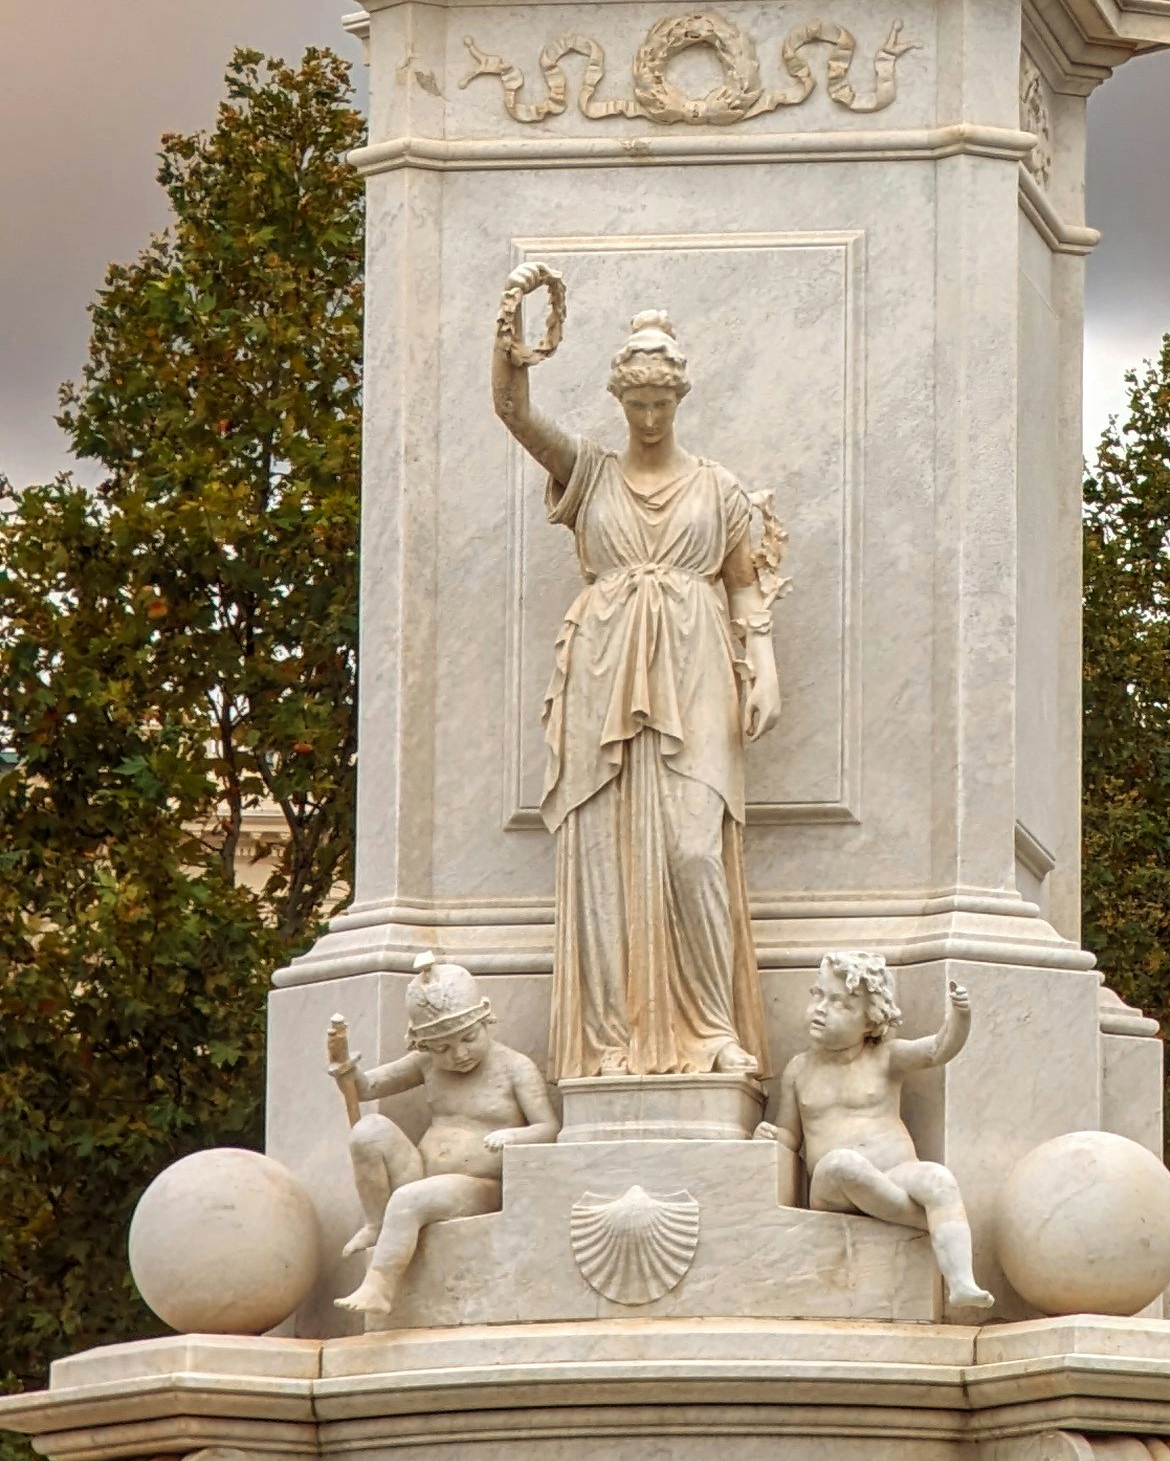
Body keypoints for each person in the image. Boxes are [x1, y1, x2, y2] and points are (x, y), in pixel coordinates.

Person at [493, 305, 781, 1080]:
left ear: (678, 400)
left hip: (698, 662)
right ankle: (609, 1039)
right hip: (604, 663)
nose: (649, 419)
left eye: (660, 405)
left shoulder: (719, 489)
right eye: (636, 406)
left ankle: (712, 1028)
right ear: (621, 403)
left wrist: (766, 668)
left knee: (695, 849)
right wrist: (512, 353)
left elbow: (746, 588)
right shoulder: (589, 475)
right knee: (604, 856)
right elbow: (513, 413)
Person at [763, 949, 992, 1322]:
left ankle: (962, 1281)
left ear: (870, 1022)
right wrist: (772, 1136)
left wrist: (960, 1016)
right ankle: (922, 1221)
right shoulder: (799, 1069)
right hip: (832, 1186)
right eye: (818, 995)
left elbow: (937, 1049)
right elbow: (790, 1136)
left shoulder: (885, 1057)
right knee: (844, 1163)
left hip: (896, 1171)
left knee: (939, 1179)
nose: (822, 1008)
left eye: (840, 1003)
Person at [327, 960, 555, 1319]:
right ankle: (376, 1224)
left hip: (479, 1185)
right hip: (420, 1172)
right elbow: (367, 1088)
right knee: (367, 1132)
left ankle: (380, 1285)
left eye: (468, 1040)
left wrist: (514, 1135)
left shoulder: (515, 1067)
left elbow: (548, 1129)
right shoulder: (426, 1064)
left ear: (485, 1022)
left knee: (407, 1199)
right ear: (425, 1045)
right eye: (443, 1048)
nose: (458, 1054)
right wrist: (345, 1067)